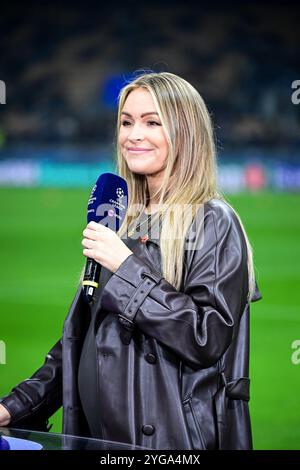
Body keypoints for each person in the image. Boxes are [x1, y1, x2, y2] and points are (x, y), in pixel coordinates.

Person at [0, 71, 262, 450]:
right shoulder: (124, 219)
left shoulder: (213, 220)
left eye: (152, 122)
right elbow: (78, 344)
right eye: (126, 122)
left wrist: (125, 268)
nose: (133, 134)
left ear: (185, 132)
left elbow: (205, 337)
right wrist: (13, 406)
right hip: (95, 440)